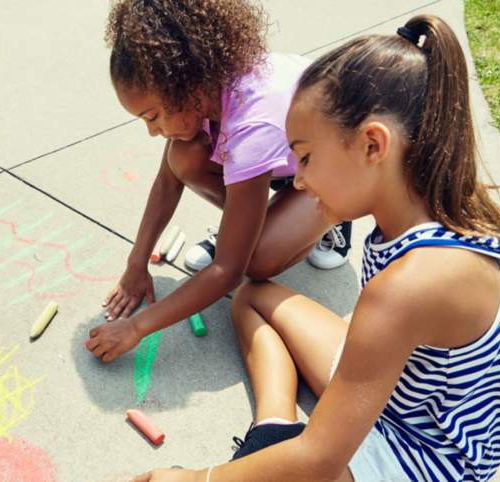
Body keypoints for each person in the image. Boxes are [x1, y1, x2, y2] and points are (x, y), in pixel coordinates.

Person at [131, 14, 500, 482]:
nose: (299, 180)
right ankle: (274, 421)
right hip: (405, 399)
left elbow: (319, 461)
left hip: (418, 464)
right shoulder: (454, 216)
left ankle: (273, 440)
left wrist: (195, 478)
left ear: (372, 145)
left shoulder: (408, 286)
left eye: (306, 157)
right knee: (253, 297)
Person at [86, 0, 351, 363]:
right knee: (183, 156)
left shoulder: (252, 124)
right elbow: (168, 182)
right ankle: (243, 228)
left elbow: (228, 273)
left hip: (335, 168)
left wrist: (137, 328)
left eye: (153, 117)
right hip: (286, 161)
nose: (151, 132)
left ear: (189, 89)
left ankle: (334, 217)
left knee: (254, 260)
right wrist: (136, 264)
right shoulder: (203, 90)